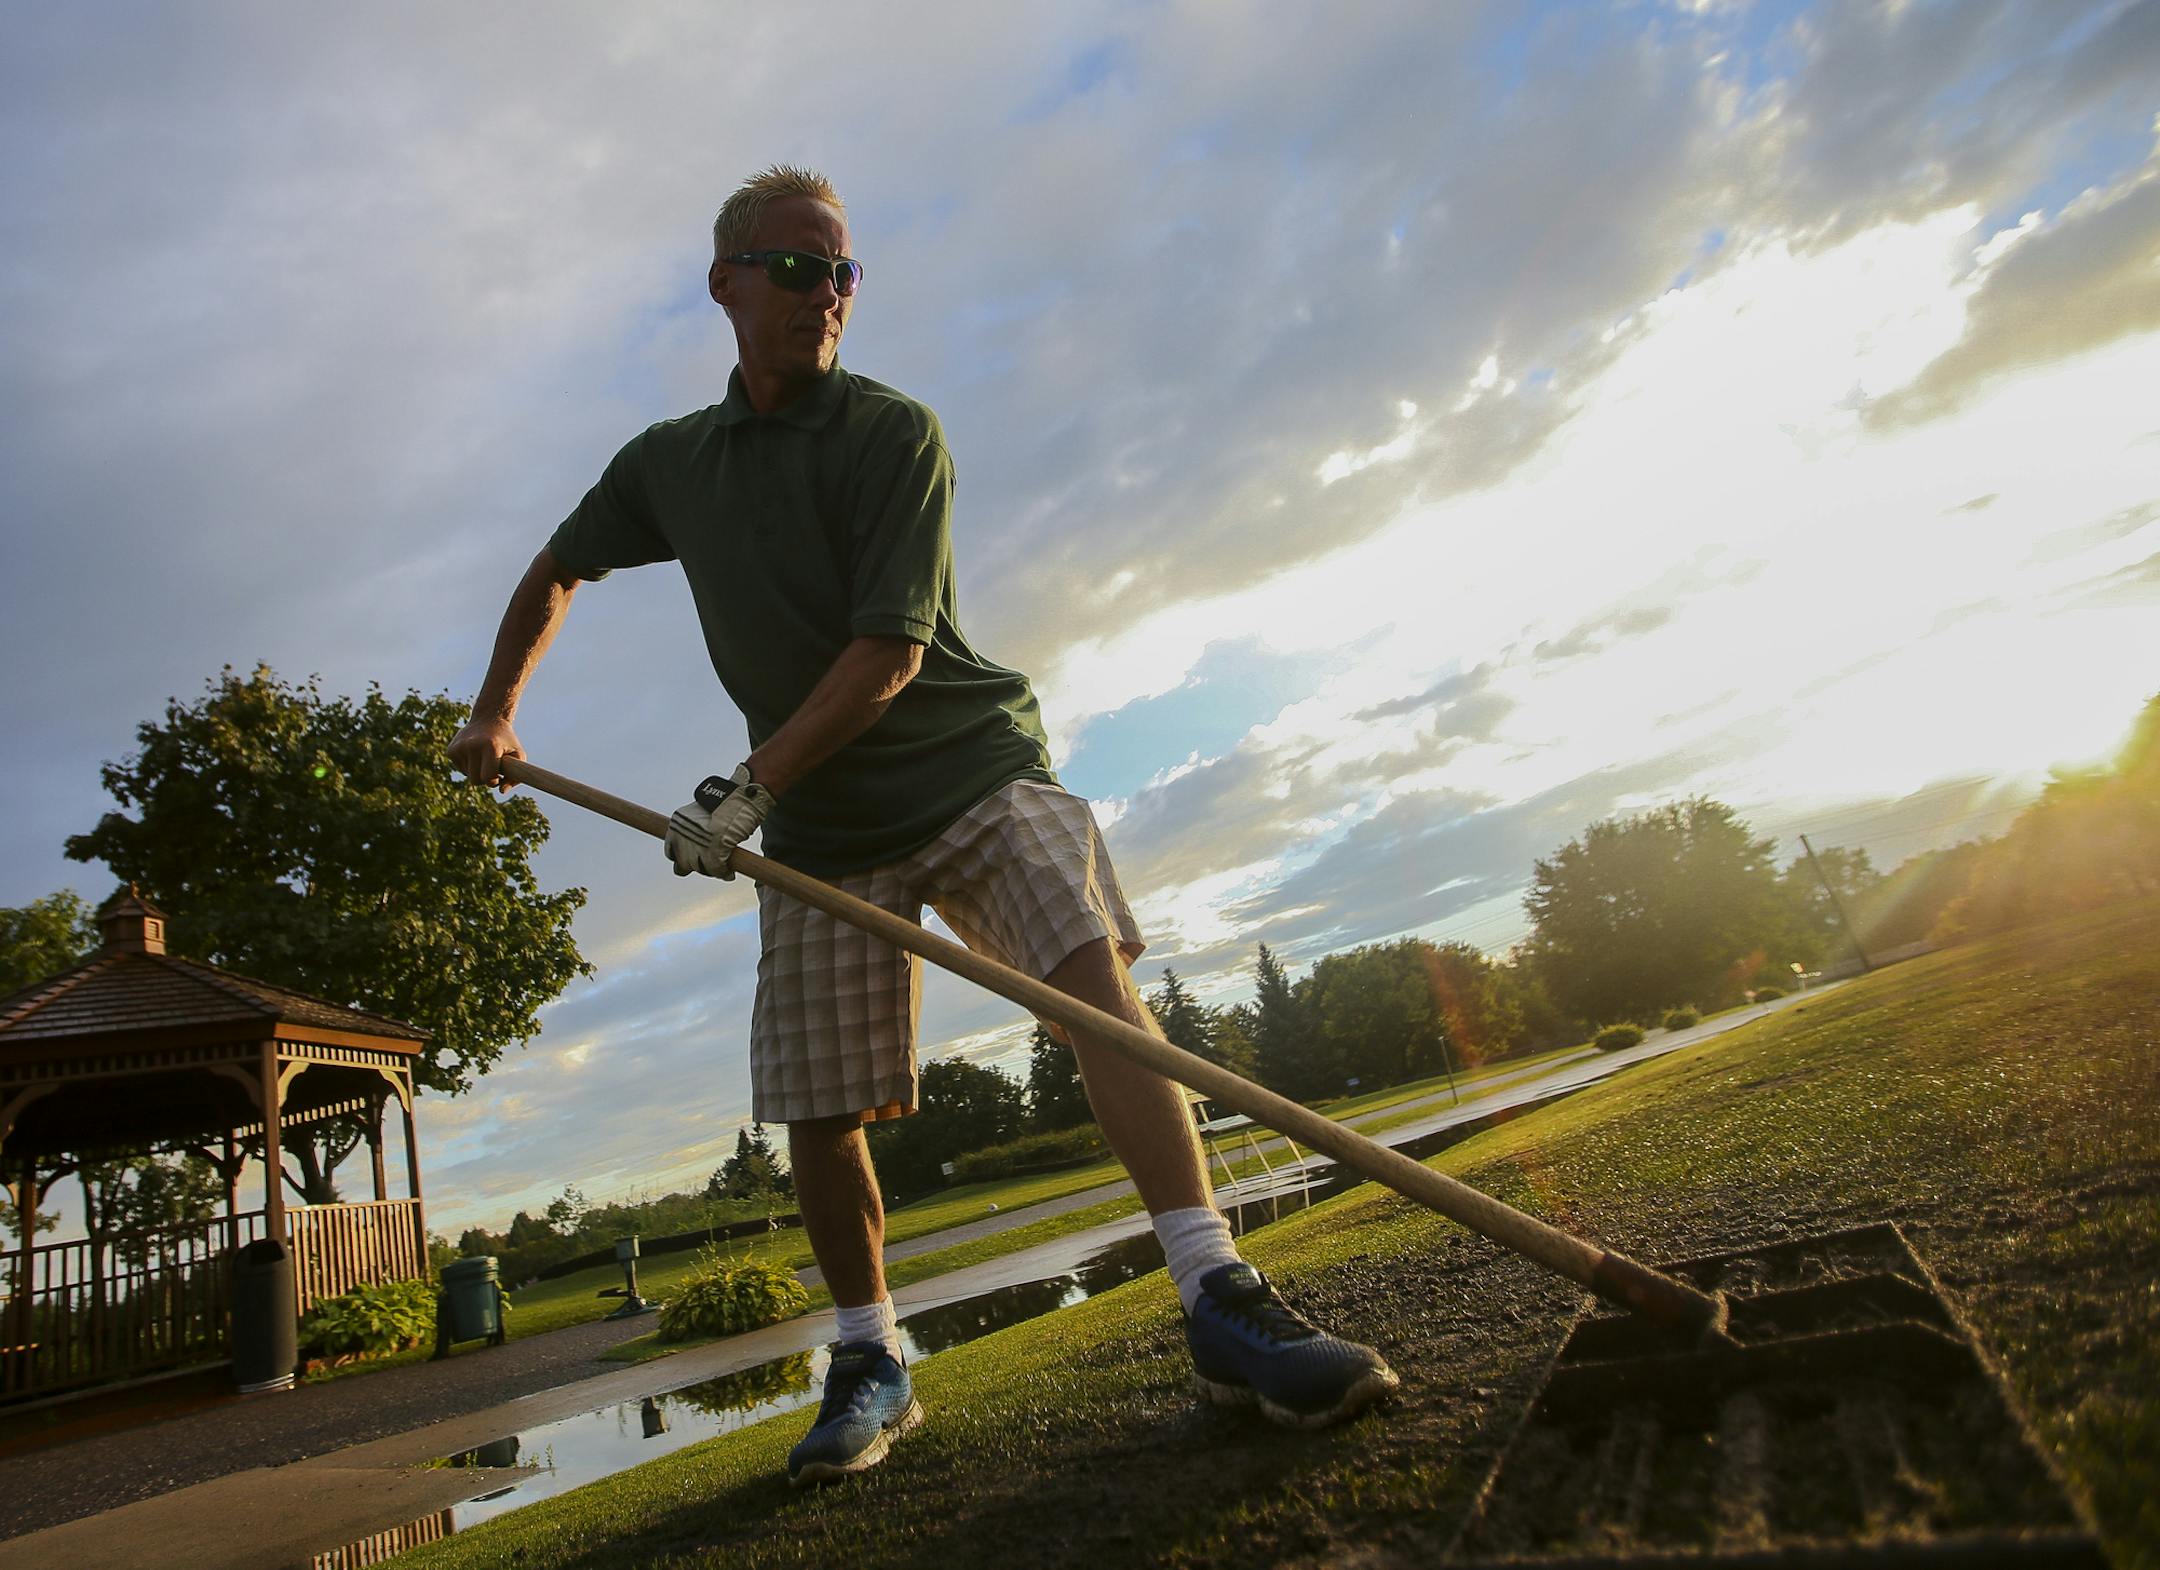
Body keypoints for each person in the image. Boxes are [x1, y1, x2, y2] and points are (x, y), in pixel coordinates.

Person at [450, 165, 1397, 1486]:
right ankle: (869, 1359)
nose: (824, 293)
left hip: (967, 765)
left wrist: (746, 786)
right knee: (819, 1108)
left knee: (1089, 980)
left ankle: (1217, 1294)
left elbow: (888, 653)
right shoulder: (670, 466)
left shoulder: (896, 433)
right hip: (823, 827)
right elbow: (557, 566)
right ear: (726, 283)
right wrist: (497, 711)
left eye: (841, 271)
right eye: (794, 267)